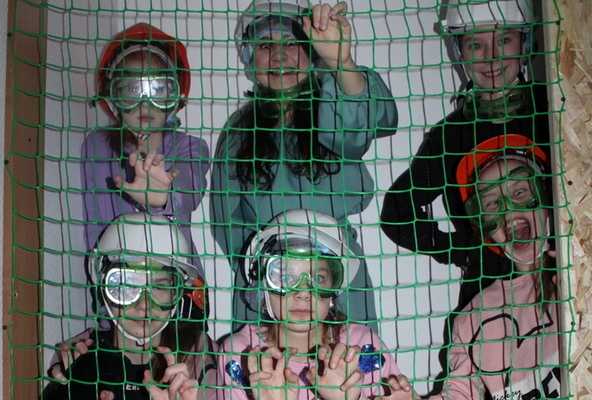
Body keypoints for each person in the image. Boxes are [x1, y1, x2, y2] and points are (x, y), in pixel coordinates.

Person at [210, 0, 398, 329]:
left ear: (311, 53)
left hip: (336, 274)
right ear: (250, 58)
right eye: (266, 45)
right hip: (268, 283)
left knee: (348, 358)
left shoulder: (332, 104)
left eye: (291, 43)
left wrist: (341, 63)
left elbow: (373, 121)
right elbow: (227, 221)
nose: (279, 56)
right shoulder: (238, 133)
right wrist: (259, 272)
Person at [380, 0, 550, 310]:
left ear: (525, 43)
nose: (491, 56)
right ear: (460, 52)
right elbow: (396, 211)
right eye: (476, 45)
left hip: (565, 281)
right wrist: (463, 250)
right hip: (488, 301)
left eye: (504, 40)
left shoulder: (553, 105)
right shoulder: (451, 135)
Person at [382, 134, 561, 398]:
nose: (507, 210)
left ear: (545, 196)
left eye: (520, 192)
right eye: (492, 203)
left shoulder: (576, 278)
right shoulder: (474, 318)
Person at [211, 209, 409, 400]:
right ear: (263, 287)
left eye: (318, 278)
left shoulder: (364, 348)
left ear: (334, 290)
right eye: (285, 277)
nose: (303, 293)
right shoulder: (241, 355)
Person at [42, 213, 215, 400]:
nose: (144, 304)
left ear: (177, 293)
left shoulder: (197, 353)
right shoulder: (81, 359)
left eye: (159, 287)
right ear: (104, 287)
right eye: (127, 285)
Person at [82, 22, 209, 259]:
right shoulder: (97, 147)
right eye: (131, 89)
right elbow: (94, 226)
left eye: (157, 89)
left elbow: (188, 192)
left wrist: (164, 197)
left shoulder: (191, 148)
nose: (144, 102)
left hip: (177, 274)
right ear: (113, 98)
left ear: (175, 98)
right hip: (118, 276)